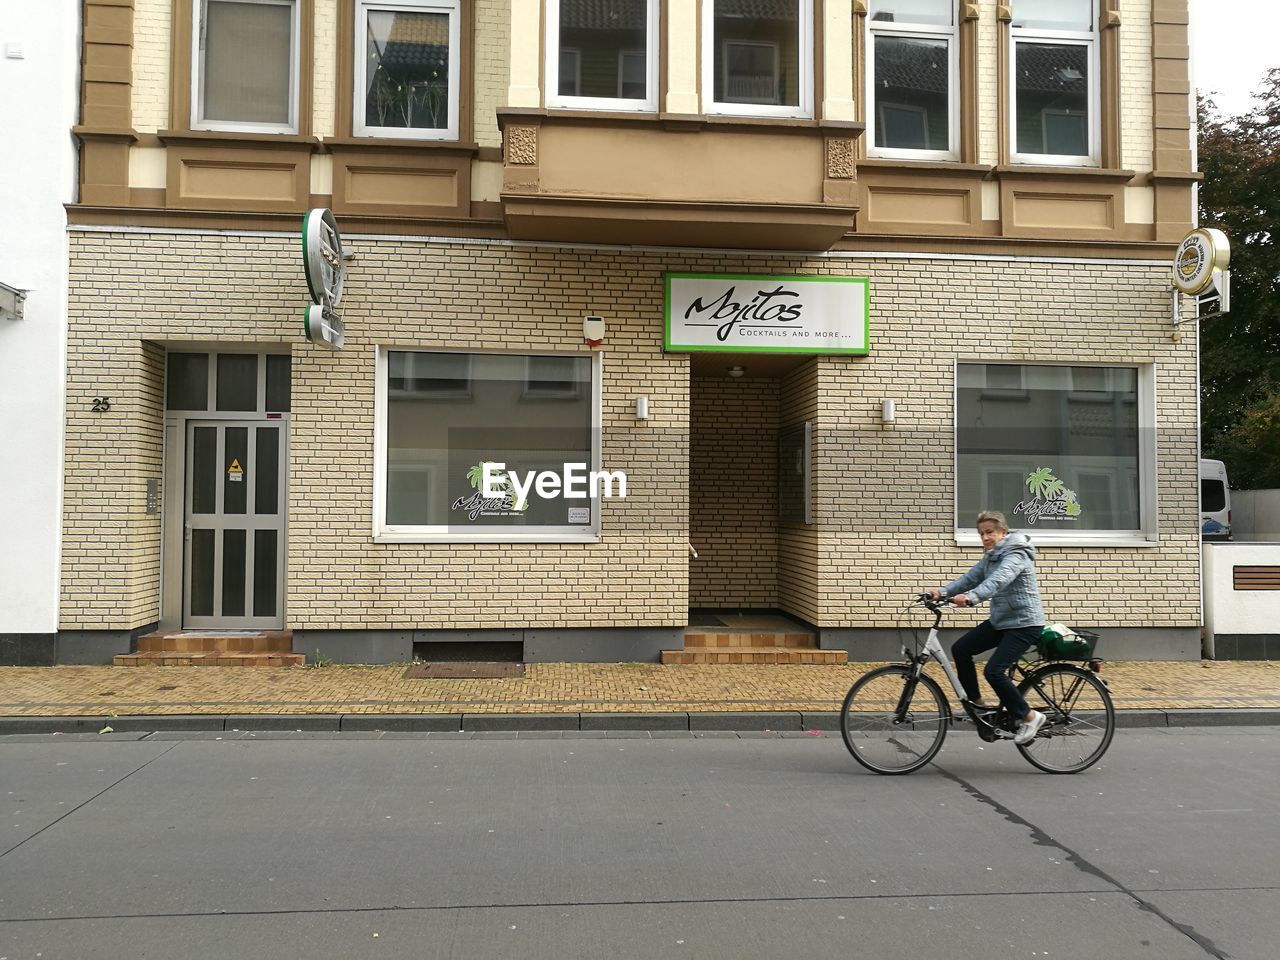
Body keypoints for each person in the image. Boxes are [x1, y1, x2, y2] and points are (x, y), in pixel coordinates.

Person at [929, 510, 1046, 745]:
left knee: (993, 671)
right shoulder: (991, 556)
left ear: (1003, 532)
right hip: (1002, 622)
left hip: (1024, 624)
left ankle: (1030, 716)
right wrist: (941, 592)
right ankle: (978, 707)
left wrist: (972, 598)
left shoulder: (1016, 554)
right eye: (981, 534)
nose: (985, 538)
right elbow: (970, 578)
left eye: (990, 532)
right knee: (961, 649)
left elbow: (998, 580)